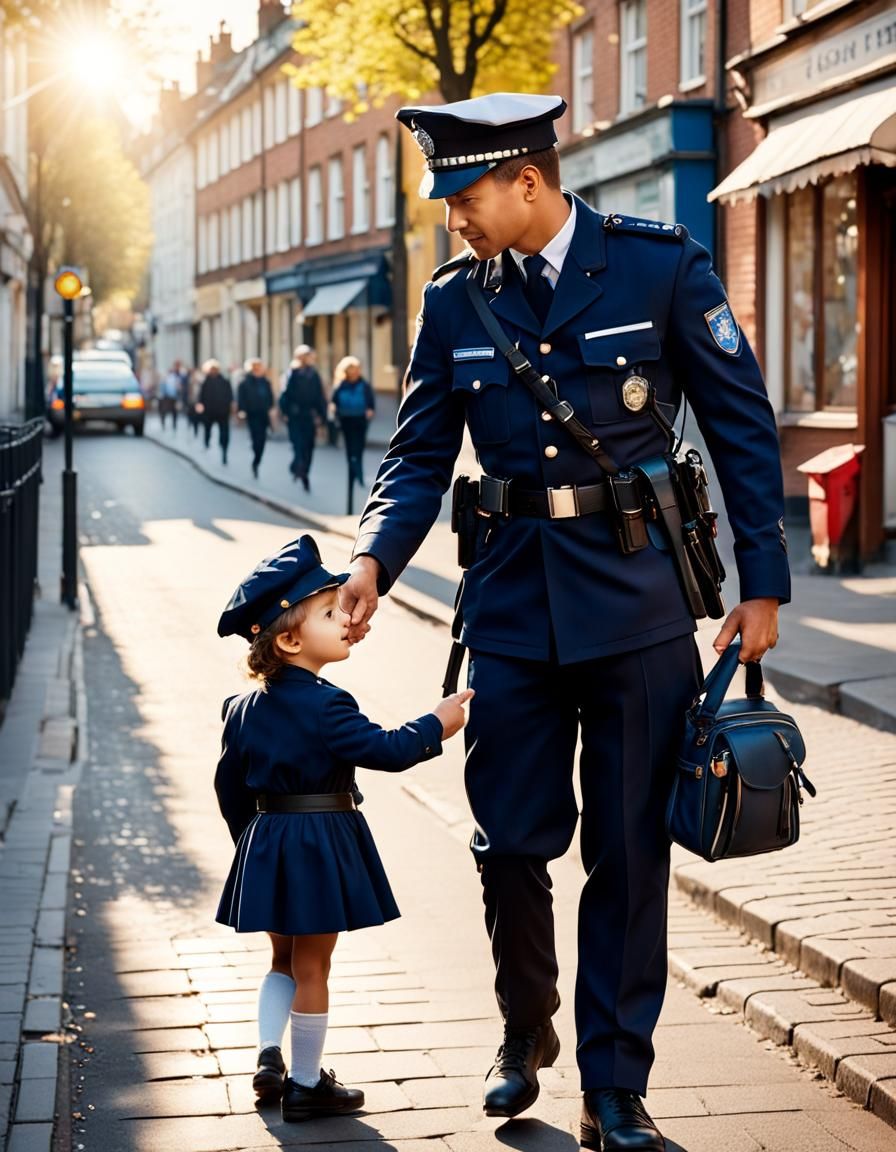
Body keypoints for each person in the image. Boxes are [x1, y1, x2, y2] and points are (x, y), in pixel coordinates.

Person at [339, 94, 790, 1151]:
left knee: (628, 854)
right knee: (507, 841)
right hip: (505, 606)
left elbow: (739, 427)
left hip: (635, 608)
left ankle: (614, 1080)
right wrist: (370, 559)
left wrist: (759, 585)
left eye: (463, 197)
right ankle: (521, 1031)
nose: (453, 219)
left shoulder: (658, 268)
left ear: (526, 182)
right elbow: (415, 457)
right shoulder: (454, 303)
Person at [214, 534, 473, 1122]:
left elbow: (228, 786)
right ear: (289, 639)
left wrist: (249, 846)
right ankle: (306, 1083)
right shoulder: (329, 704)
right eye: (332, 614)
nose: (347, 621)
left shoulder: (240, 707)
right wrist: (437, 723)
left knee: (281, 958)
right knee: (314, 965)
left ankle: (268, 1055)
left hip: (267, 839)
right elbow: (384, 750)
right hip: (317, 839)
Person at [279, 345, 327, 490]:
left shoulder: (314, 374)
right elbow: (284, 396)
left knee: (309, 446)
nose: (311, 359)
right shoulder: (291, 373)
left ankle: (303, 470)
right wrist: (285, 412)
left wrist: (322, 416)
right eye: (308, 356)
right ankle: (299, 470)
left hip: (310, 416)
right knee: (298, 445)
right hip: (295, 415)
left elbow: (320, 396)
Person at [330, 357, 375, 487]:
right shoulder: (340, 385)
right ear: (346, 371)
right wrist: (334, 411)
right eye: (352, 369)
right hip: (346, 420)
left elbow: (371, 401)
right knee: (350, 447)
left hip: (360, 419)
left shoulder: (364, 385)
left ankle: (359, 473)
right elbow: (334, 402)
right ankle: (353, 472)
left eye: (356, 369)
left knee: (359, 447)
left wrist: (370, 410)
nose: (355, 372)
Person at [237, 358, 275, 479]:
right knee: (255, 438)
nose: (258, 369)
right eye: (255, 367)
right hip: (252, 414)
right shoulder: (245, 383)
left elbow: (270, 398)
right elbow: (240, 398)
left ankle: (256, 461)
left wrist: (271, 409)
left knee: (262, 440)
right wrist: (242, 410)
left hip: (263, 414)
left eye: (259, 367)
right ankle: (255, 456)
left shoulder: (265, 382)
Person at [195, 359, 233, 464]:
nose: (213, 371)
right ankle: (206, 443)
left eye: (215, 369)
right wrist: (200, 406)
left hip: (222, 412)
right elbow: (201, 396)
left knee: (224, 433)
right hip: (209, 412)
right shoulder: (205, 382)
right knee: (207, 429)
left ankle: (224, 450)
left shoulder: (225, 382)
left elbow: (229, 396)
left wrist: (229, 407)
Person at [159, 360, 187, 430]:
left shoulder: (181, 375)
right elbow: (163, 384)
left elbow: (183, 386)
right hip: (167, 396)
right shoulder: (169, 375)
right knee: (164, 411)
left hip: (175, 396)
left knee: (174, 412)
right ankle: (163, 424)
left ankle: (174, 425)